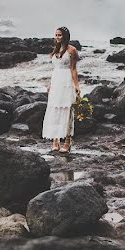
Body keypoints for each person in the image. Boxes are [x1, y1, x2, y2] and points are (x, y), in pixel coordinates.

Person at [42, 26, 81, 154]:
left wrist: (77, 86)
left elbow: (73, 69)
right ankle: (55, 140)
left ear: (65, 36)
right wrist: (50, 84)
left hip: (66, 81)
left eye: (59, 35)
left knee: (67, 110)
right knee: (54, 109)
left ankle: (67, 141)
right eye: (56, 35)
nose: (57, 37)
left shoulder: (72, 50)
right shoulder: (55, 49)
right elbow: (55, 69)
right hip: (56, 82)